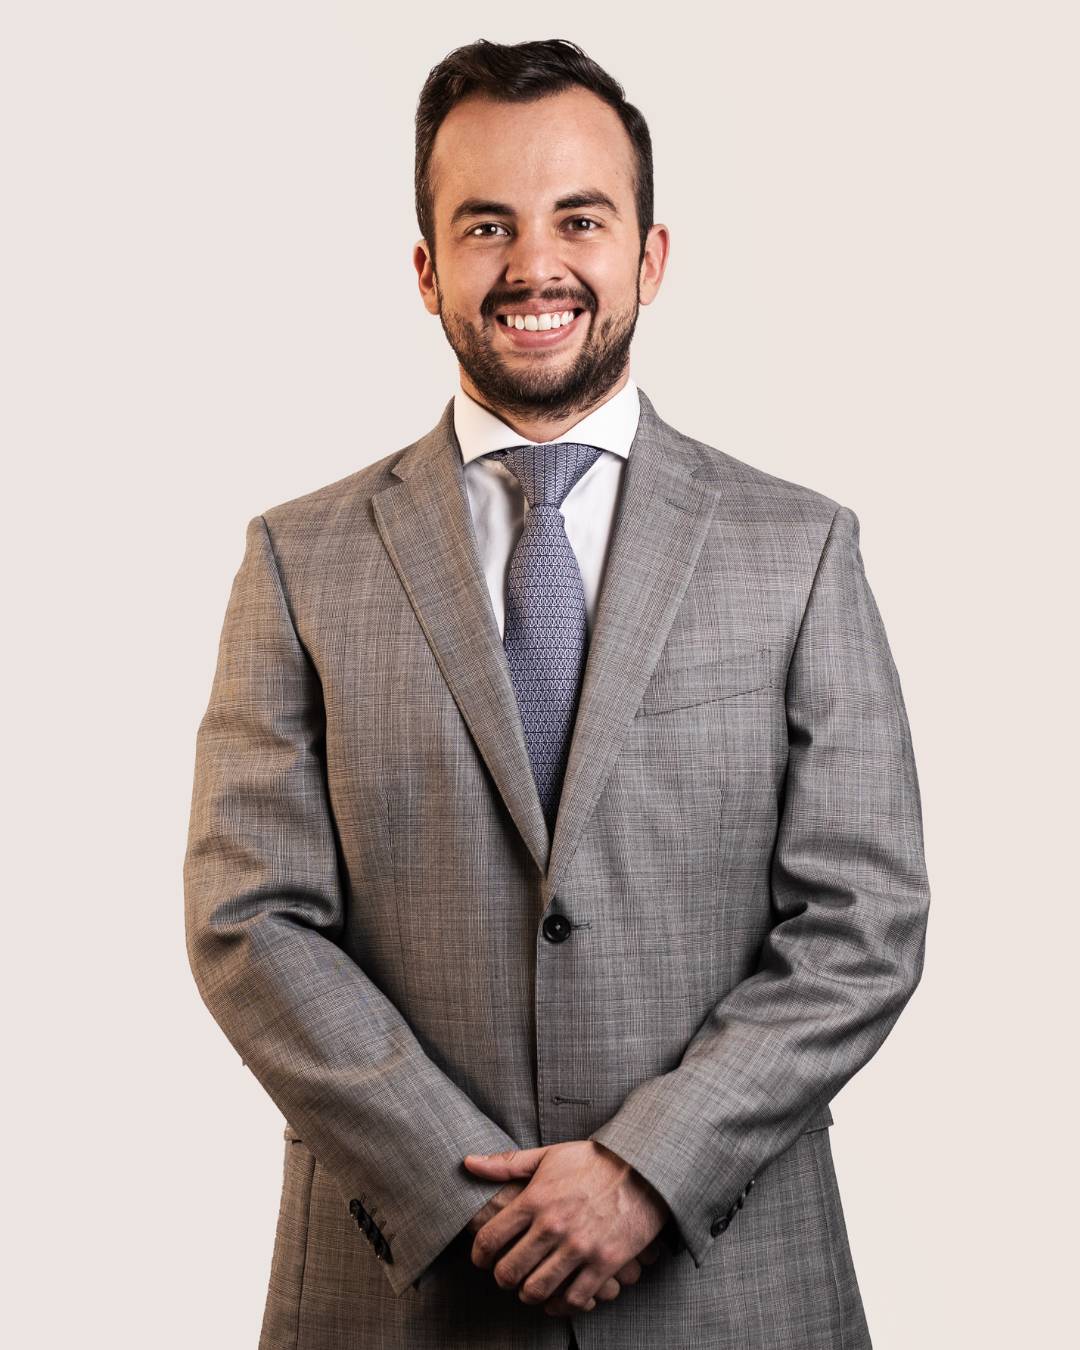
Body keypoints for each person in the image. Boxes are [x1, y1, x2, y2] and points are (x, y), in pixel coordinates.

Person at [185, 38, 929, 1350]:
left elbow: (863, 920)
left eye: (580, 220)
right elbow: (250, 920)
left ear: (650, 256)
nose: (536, 265)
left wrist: (648, 1169)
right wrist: (465, 1190)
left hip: (732, 1289)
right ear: (427, 269)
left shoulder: (800, 549)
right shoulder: (300, 562)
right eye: (488, 226)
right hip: (402, 1290)